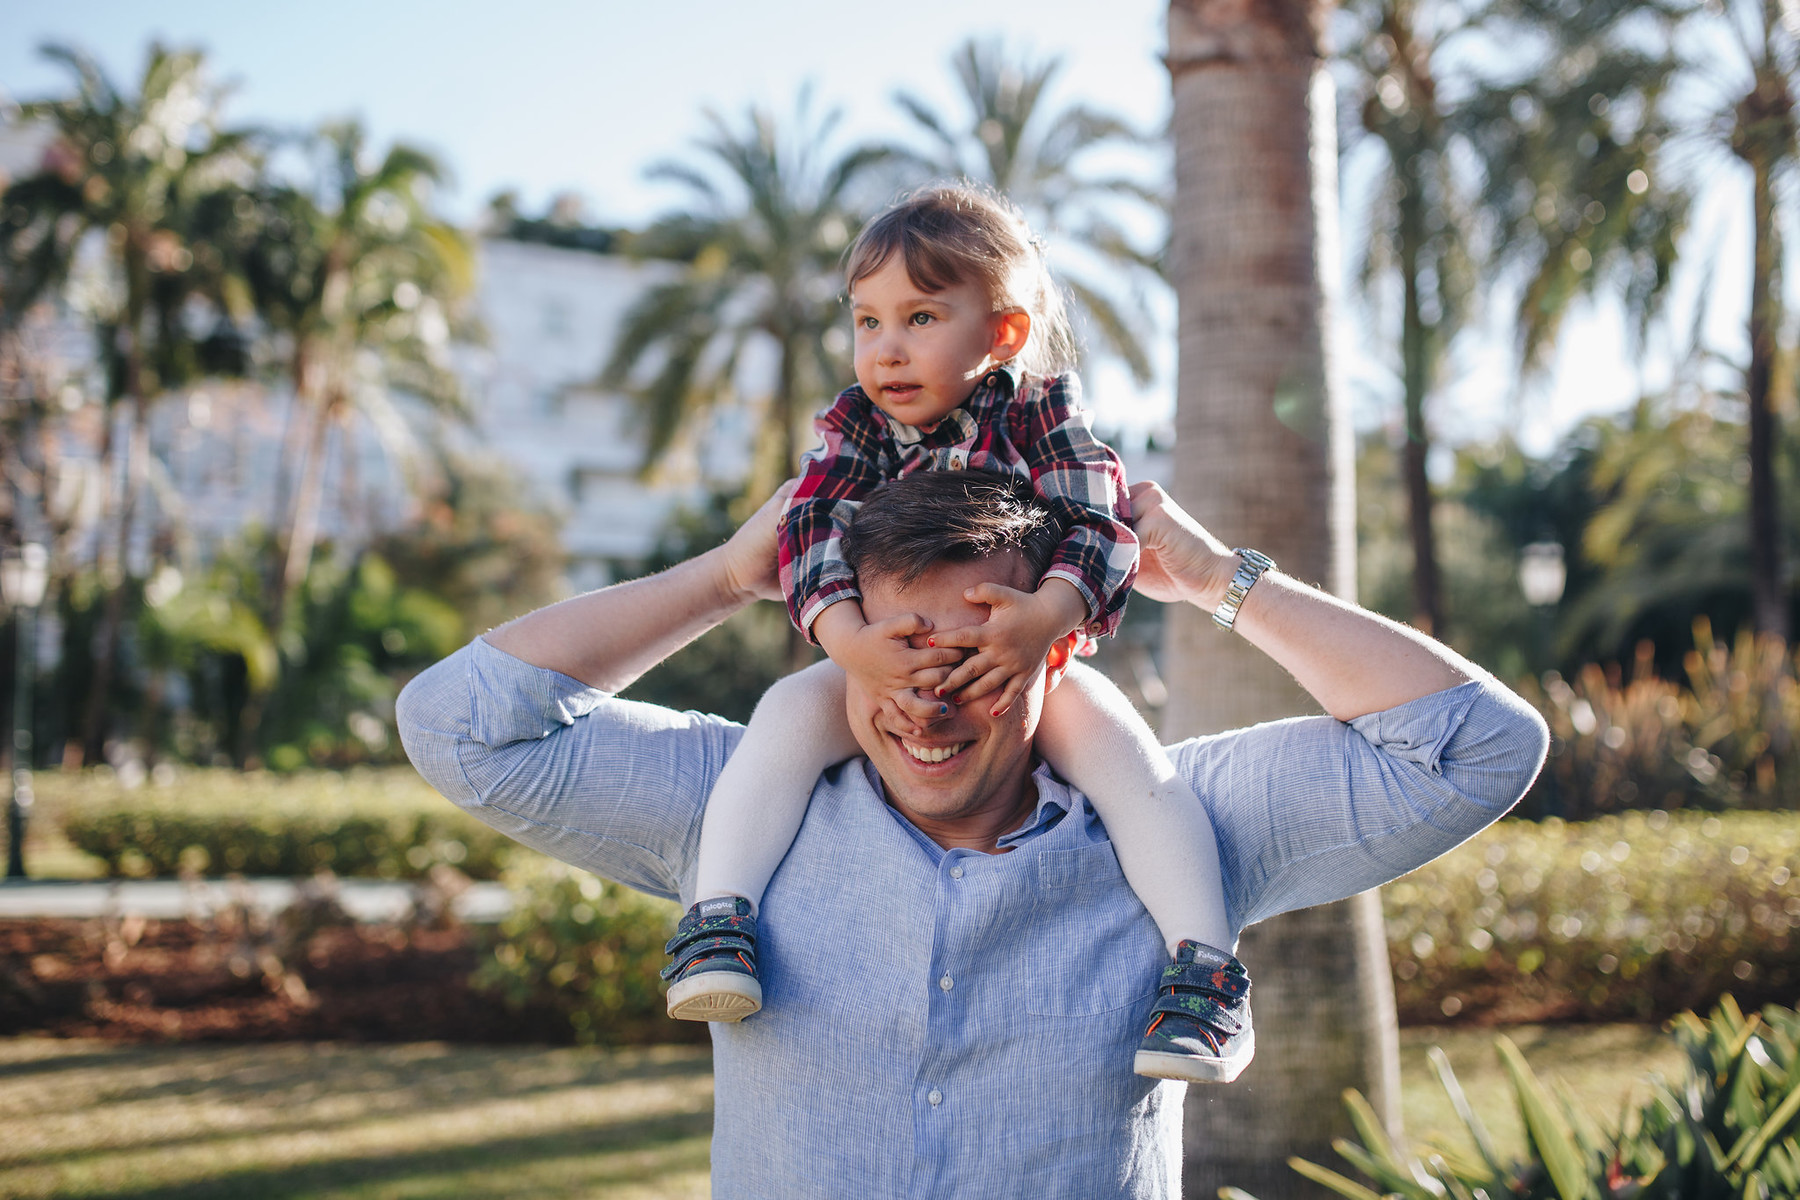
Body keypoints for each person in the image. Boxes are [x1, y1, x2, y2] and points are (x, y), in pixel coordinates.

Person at [396, 470, 1549, 1200]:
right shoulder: (736, 806)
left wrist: (1214, 583)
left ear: (1058, 652)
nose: (927, 703)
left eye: (972, 662)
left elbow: (1479, 745)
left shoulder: (1179, 830)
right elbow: (459, 725)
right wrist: (727, 578)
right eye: (895, 654)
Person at [675, 183, 1250, 1085]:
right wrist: (850, 643)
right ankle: (719, 922)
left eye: (921, 316)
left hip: (1024, 665)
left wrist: (1046, 621)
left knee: (1133, 767)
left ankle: (1205, 977)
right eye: (867, 322)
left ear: (1004, 334)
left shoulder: (1040, 416)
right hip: (879, 658)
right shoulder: (856, 428)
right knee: (786, 714)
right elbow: (811, 527)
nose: (886, 349)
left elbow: (1100, 526)